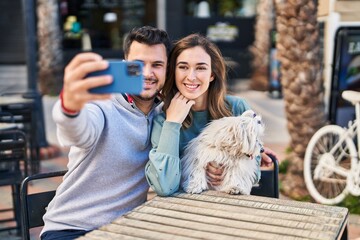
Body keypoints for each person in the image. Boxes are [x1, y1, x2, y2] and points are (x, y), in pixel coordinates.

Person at [40, 26, 172, 240]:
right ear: (124, 65)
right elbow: (79, 132)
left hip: (122, 230)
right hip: (70, 228)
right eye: (137, 65)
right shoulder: (101, 104)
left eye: (157, 65)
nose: (147, 73)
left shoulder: (166, 114)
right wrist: (69, 108)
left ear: (168, 69)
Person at [145, 33, 276, 197]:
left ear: (212, 74)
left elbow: (254, 173)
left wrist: (227, 169)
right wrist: (173, 123)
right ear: (174, 71)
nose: (191, 77)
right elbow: (164, 186)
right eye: (183, 67)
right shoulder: (162, 120)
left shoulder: (237, 108)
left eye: (200, 68)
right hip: (179, 213)